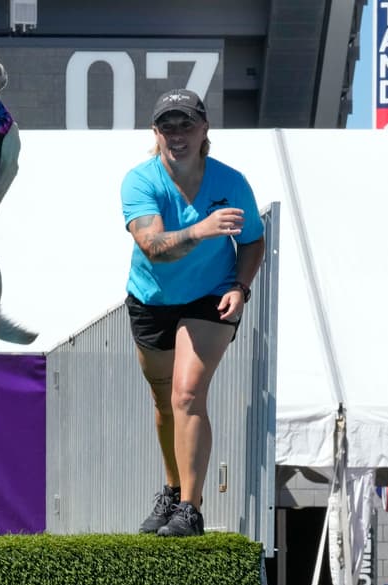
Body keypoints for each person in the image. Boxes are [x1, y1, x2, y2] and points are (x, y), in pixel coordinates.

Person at [121, 89, 266, 537]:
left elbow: (253, 240)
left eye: (186, 125)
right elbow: (153, 248)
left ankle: (190, 507)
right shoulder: (140, 181)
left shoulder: (231, 181)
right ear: (155, 133)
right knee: (164, 401)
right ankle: (171, 488)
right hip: (151, 298)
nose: (177, 135)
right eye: (168, 126)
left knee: (187, 394)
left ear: (205, 130)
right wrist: (203, 228)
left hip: (211, 296)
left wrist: (241, 287)